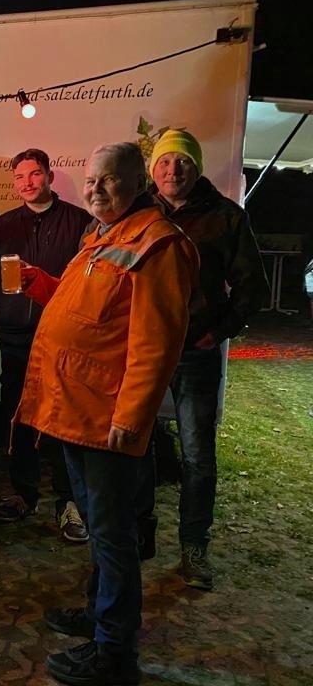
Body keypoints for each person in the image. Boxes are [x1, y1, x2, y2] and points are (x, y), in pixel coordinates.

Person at [15, 142, 199, 685]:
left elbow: (156, 345)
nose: (96, 189)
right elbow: (85, 313)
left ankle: (115, 653)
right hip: (77, 411)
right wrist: (40, 283)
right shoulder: (103, 236)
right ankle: (99, 613)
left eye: (110, 180)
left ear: (138, 183)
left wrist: (130, 419)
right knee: (99, 527)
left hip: (107, 421)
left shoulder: (158, 245)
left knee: (114, 534)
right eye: (91, 180)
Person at [147, 128, 269, 590]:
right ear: (152, 169)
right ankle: (137, 536)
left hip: (195, 352)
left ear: (196, 167)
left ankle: (194, 548)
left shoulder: (226, 217)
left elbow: (252, 286)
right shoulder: (138, 213)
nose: (172, 169)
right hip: (145, 351)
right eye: (164, 161)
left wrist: (218, 332)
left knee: (197, 455)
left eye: (182, 161)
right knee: (135, 446)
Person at [0, 148, 94, 542]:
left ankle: (68, 502)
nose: (27, 182)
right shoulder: (4, 224)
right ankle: (23, 493)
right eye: (20, 177)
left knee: (63, 422)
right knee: (18, 419)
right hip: (15, 336)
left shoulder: (78, 221)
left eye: (34, 174)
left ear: (49, 175)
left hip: (61, 335)